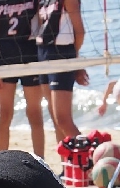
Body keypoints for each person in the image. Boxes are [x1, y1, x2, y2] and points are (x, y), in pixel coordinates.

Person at [0, 0, 45, 157]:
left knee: (34, 112)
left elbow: (42, 23)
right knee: (4, 113)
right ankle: (0, 161)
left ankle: (40, 160)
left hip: (31, 58)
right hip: (4, 59)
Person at [36, 0, 86, 139]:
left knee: (63, 119)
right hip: (42, 52)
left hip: (61, 53)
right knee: (56, 119)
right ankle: (64, 153)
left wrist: (74, 61)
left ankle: (88, 152)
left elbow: (80, 32)